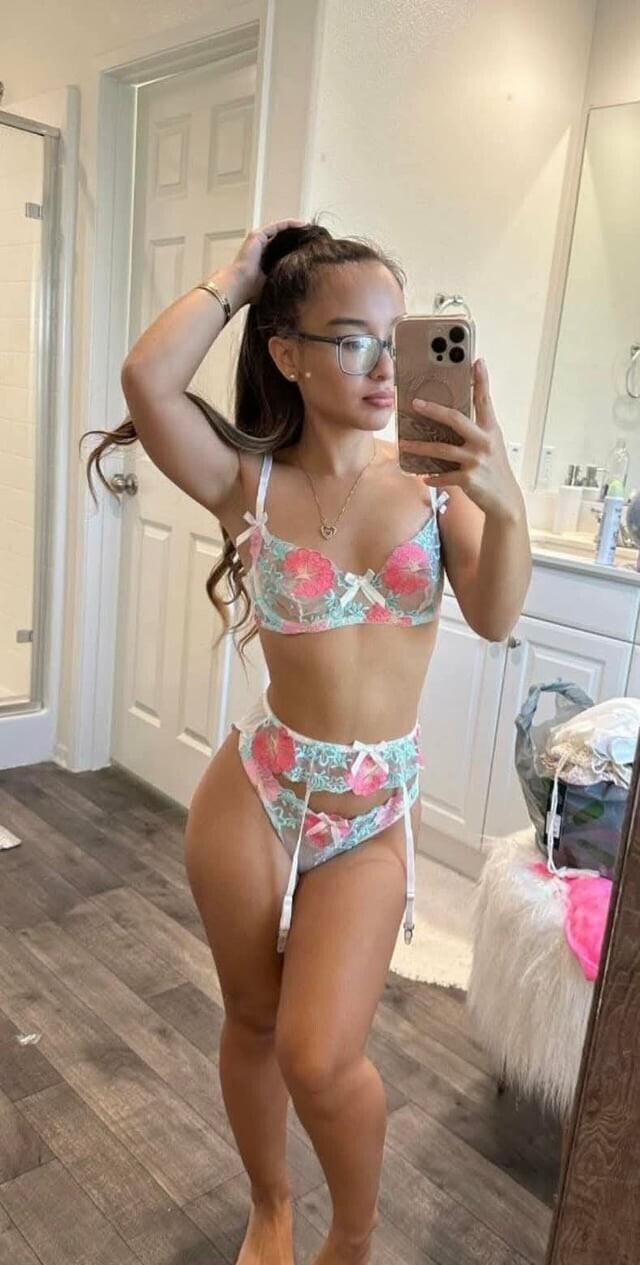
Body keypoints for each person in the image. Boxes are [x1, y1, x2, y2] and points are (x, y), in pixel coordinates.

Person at [84, 217, 531, 1265]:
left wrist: (503, 503)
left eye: (396, 336)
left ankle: (354, 1235)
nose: (384, 366)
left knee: (320, 1055)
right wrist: (240, 276)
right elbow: (148, 381)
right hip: (260, 786)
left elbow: (496, 614)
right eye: (352, 338)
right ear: (287, 354)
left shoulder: (435, 483)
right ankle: (272, 1204)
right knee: (251, 1019)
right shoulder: (247, 483)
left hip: (371, 809)